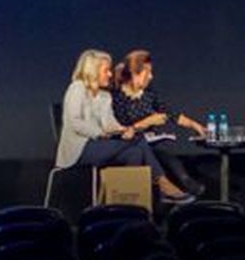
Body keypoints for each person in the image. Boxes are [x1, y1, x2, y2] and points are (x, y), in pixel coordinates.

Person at [54, 49, 193, 203]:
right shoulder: (77, 88)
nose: (110, 75)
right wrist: (100, 133)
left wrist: (124, 130)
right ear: (92, 71)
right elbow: (75, 123)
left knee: (135, 153)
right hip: (78, 151)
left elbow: (110, 123)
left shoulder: (105, 96)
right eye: (106, 70)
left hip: (99, 146)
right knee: (138, 141)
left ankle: (128, 203)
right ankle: (163, 184)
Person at [112, 50, 210, 196]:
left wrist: (196, 126)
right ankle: (167, 190)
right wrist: (147, 122)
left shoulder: (149, 94)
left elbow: (169, 114)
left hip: (150, 141)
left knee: (169, 158)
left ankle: (187, 185)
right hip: (129, 143)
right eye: (147, 72)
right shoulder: (117, 97)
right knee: (149, 154)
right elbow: (120, 128)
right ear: (135, 73)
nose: (151, 77)